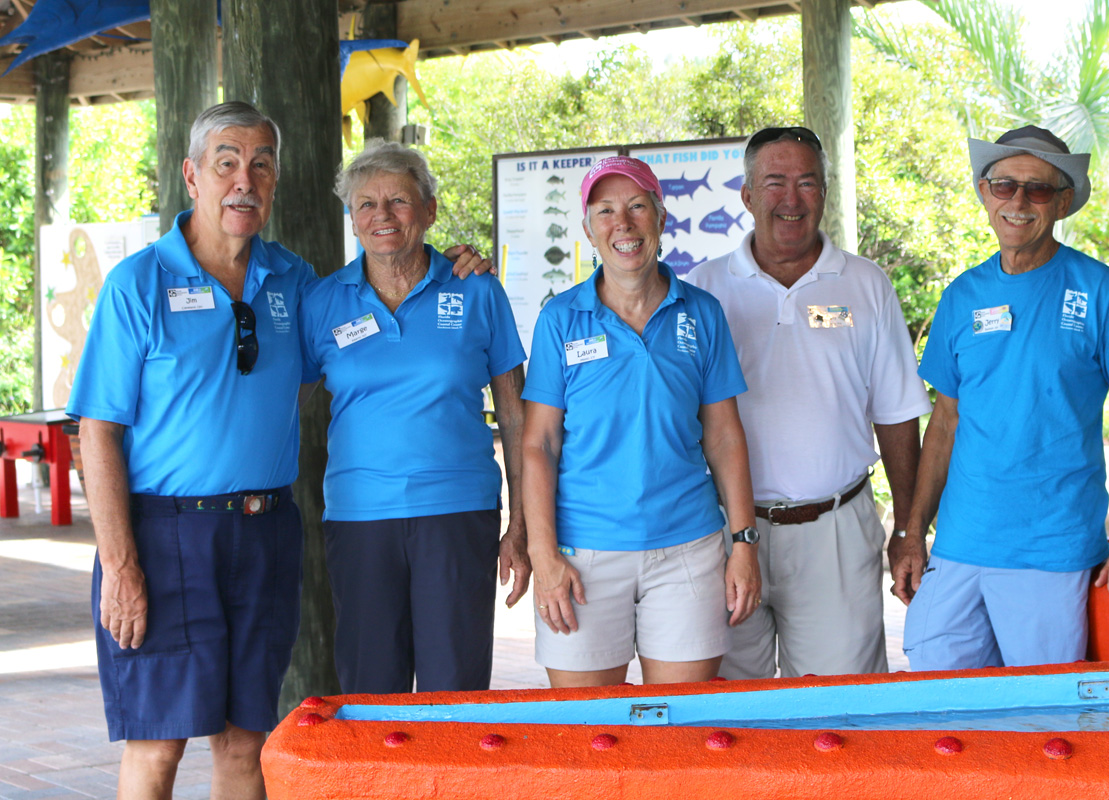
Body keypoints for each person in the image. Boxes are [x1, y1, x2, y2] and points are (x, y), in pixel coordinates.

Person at [67, 103, 491, 800]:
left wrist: (455, 266)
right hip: (165, 533)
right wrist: (119, 564)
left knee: (245, 743)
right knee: (157, 744)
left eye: (262, 163)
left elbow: (389, 312)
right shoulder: (137, 285)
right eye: (226, 162)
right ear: (191, 175)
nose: (245, 179)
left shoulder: (295, 282)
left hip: (266, 532)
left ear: (276, 180)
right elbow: (97, 431)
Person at [896, 125, 1109, 670]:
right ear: (984, 192)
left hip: (1051, 553)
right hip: (958, 547)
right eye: (1004, 185)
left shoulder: (1101, 291)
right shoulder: (962, 295)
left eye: (1038, 189)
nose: (1018, 201)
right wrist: (910, 532)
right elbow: (946, 422)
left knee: (1039, 726)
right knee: (942, 716)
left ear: (1063, 202)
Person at [686, 126, 931, 679]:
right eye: (774, 182)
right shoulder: (703, 291)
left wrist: (909, 531)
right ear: (747, 195)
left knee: (841, 714)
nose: (791, 199)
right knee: (725, 710)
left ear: (825, 192)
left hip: (836, 532)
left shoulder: (865, 286)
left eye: (807, 183)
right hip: (722, 533)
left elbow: (896, 414)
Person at [299, 139, 530, 694]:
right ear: (352, 218)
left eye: (399, 201)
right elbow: (278, 403)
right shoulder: (322, 302)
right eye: (366, 204)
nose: (383, 216)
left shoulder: (476, 290)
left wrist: (520, 524)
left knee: (456, 691)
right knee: (371, 691)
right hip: (358, 520)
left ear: (428, 210)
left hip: (458, 513)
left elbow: (518, 418)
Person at [522, 156, 761, 688]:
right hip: (581, 554)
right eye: (605, 211)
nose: (622, 224)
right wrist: (543, 555)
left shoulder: (701, 313)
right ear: (587, 229)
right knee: (589, 736)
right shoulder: (560, 318)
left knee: (679, 734)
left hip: (688, 550)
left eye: (636, 207)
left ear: (660, 216)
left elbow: (724, 436)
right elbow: (539, 444)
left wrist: (743, 542)